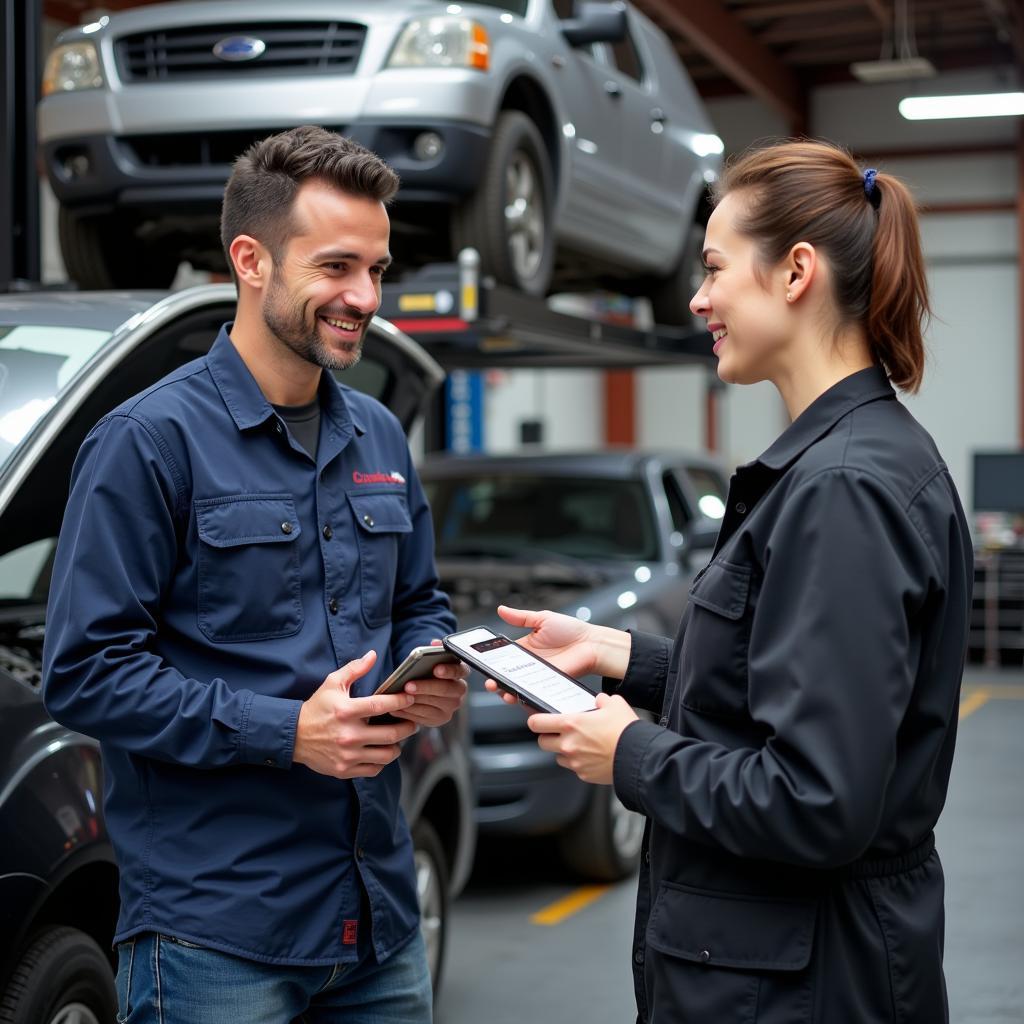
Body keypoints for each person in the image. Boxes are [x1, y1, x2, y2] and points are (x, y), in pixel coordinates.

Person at [489, 140, 972, 1023]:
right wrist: (623, 656)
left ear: (795, 273)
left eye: (714, 269)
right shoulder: (843, 463)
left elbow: (817, 801)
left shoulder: (842, 490)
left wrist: (628, 754)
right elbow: (786, 687)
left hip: (804, 983)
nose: (699, 298)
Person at [42, 126, 467, 1023]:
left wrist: (431, 662)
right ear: (251, 261)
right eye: (338, 267)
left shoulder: (380, 437)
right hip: (216, 937)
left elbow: (418, 600)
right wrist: (287, 732)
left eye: (378, 270)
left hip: (378, 922)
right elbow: (84, 673)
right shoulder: (148, 444)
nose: (365, 298)